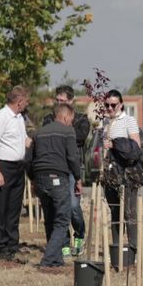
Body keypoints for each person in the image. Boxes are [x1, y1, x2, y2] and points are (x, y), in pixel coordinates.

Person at [27, 104, 82, 268]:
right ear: (65, 117)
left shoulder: (38, 133)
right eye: (71, 121)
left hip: (41, 179)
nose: (71, 124)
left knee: (49, 219)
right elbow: (73, 157)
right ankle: (48, 259)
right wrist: (78, 179)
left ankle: (56, 259)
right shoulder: (68, 132)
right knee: (62, 221)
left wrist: (32, 178)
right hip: (58, 178)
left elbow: (27, 159)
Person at [43, 85, 91, 257]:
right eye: (57, 100)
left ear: (71, 101)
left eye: (63, 100)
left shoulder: (82, 119)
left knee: (72, 206)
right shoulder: (49, 119)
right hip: (55, 168)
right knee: (58, 208)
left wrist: (60, 133)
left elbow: (80, 136)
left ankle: (79, 235)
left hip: (73, 168)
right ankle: (64, 243)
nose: (59, 103)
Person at [0, 86, 30, 258]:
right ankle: (0, 244)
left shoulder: (19, 118)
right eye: (26, 101)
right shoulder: (1, 116)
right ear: (19, 102)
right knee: (2, 206)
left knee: (14, 207)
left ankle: (12, 243)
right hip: (4, 166)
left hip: (19, 167)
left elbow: (24, 140)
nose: (27, 104)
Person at [100, 89, 141, 248]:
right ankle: (117, 248)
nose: (110, 108)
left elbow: (136, 147)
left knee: (129, 212)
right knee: (115, 212)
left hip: (126, 173)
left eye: (113, 105)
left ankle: (133, 250)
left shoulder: (129, 120)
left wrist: (115, 144)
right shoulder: (105, 122)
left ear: (121, 105)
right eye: (107, 105)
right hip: (110, 174)